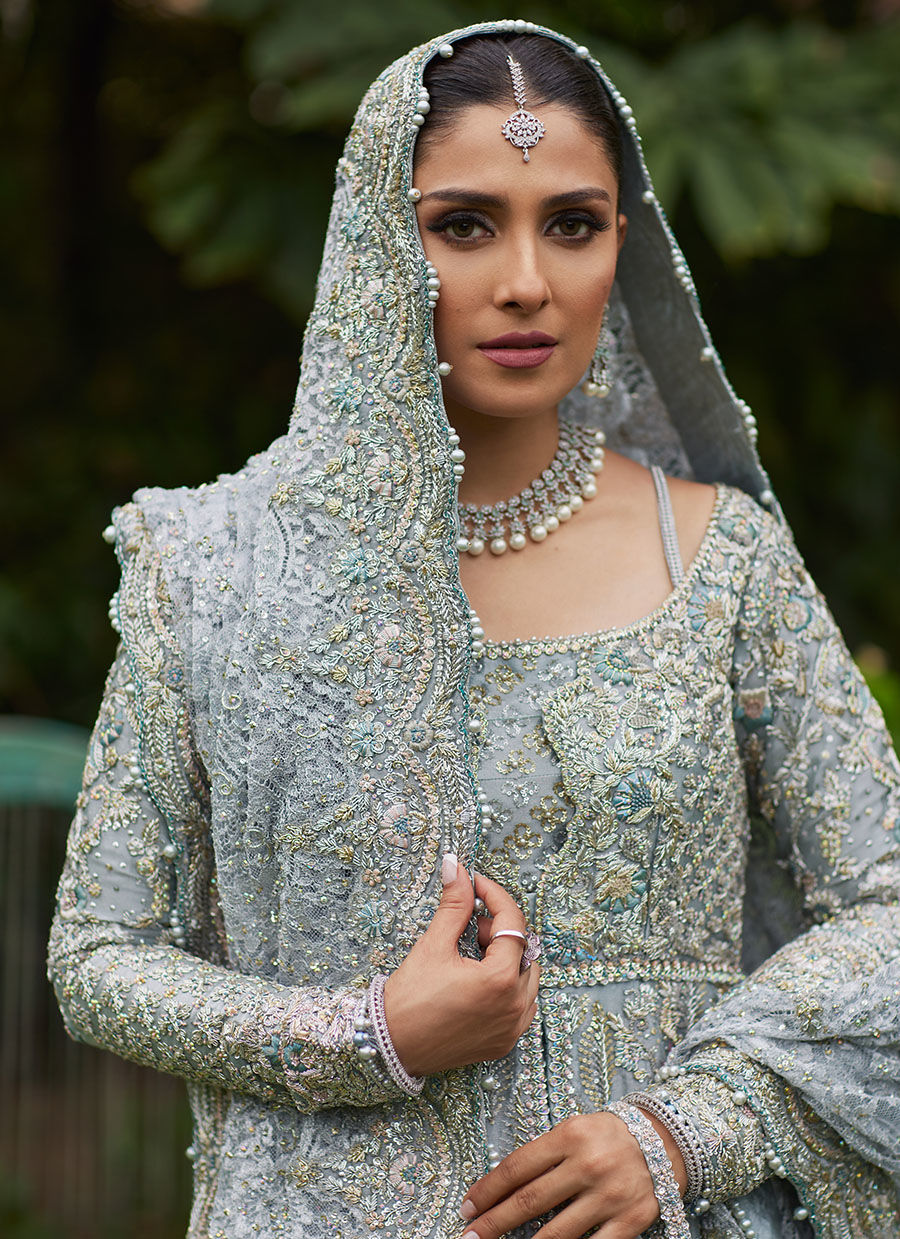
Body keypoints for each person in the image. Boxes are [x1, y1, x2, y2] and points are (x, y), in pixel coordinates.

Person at [48, 20, 900, 1239]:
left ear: (622, 244)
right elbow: (98, 956)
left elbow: (888, 902)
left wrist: (685, 1133)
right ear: (377, 245)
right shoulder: (213, 567)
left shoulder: (719, 557)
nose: (526, 281)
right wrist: (368, 1037)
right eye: (464, 225)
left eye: (573, 224)